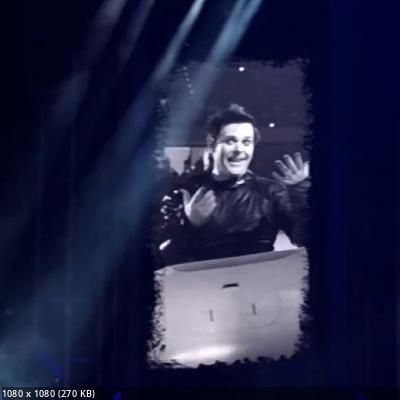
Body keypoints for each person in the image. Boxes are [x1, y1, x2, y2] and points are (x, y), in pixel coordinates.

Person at [153, 104, 310, 266]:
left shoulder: (270, 191)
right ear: (212, 144)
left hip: (258, 279)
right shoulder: (185, 191)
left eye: (246, 142)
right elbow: (160, 260)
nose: (239, 149)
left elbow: (306, 239)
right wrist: (190, 224)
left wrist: (300, 193)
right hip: (203, 281)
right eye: (230, 141)